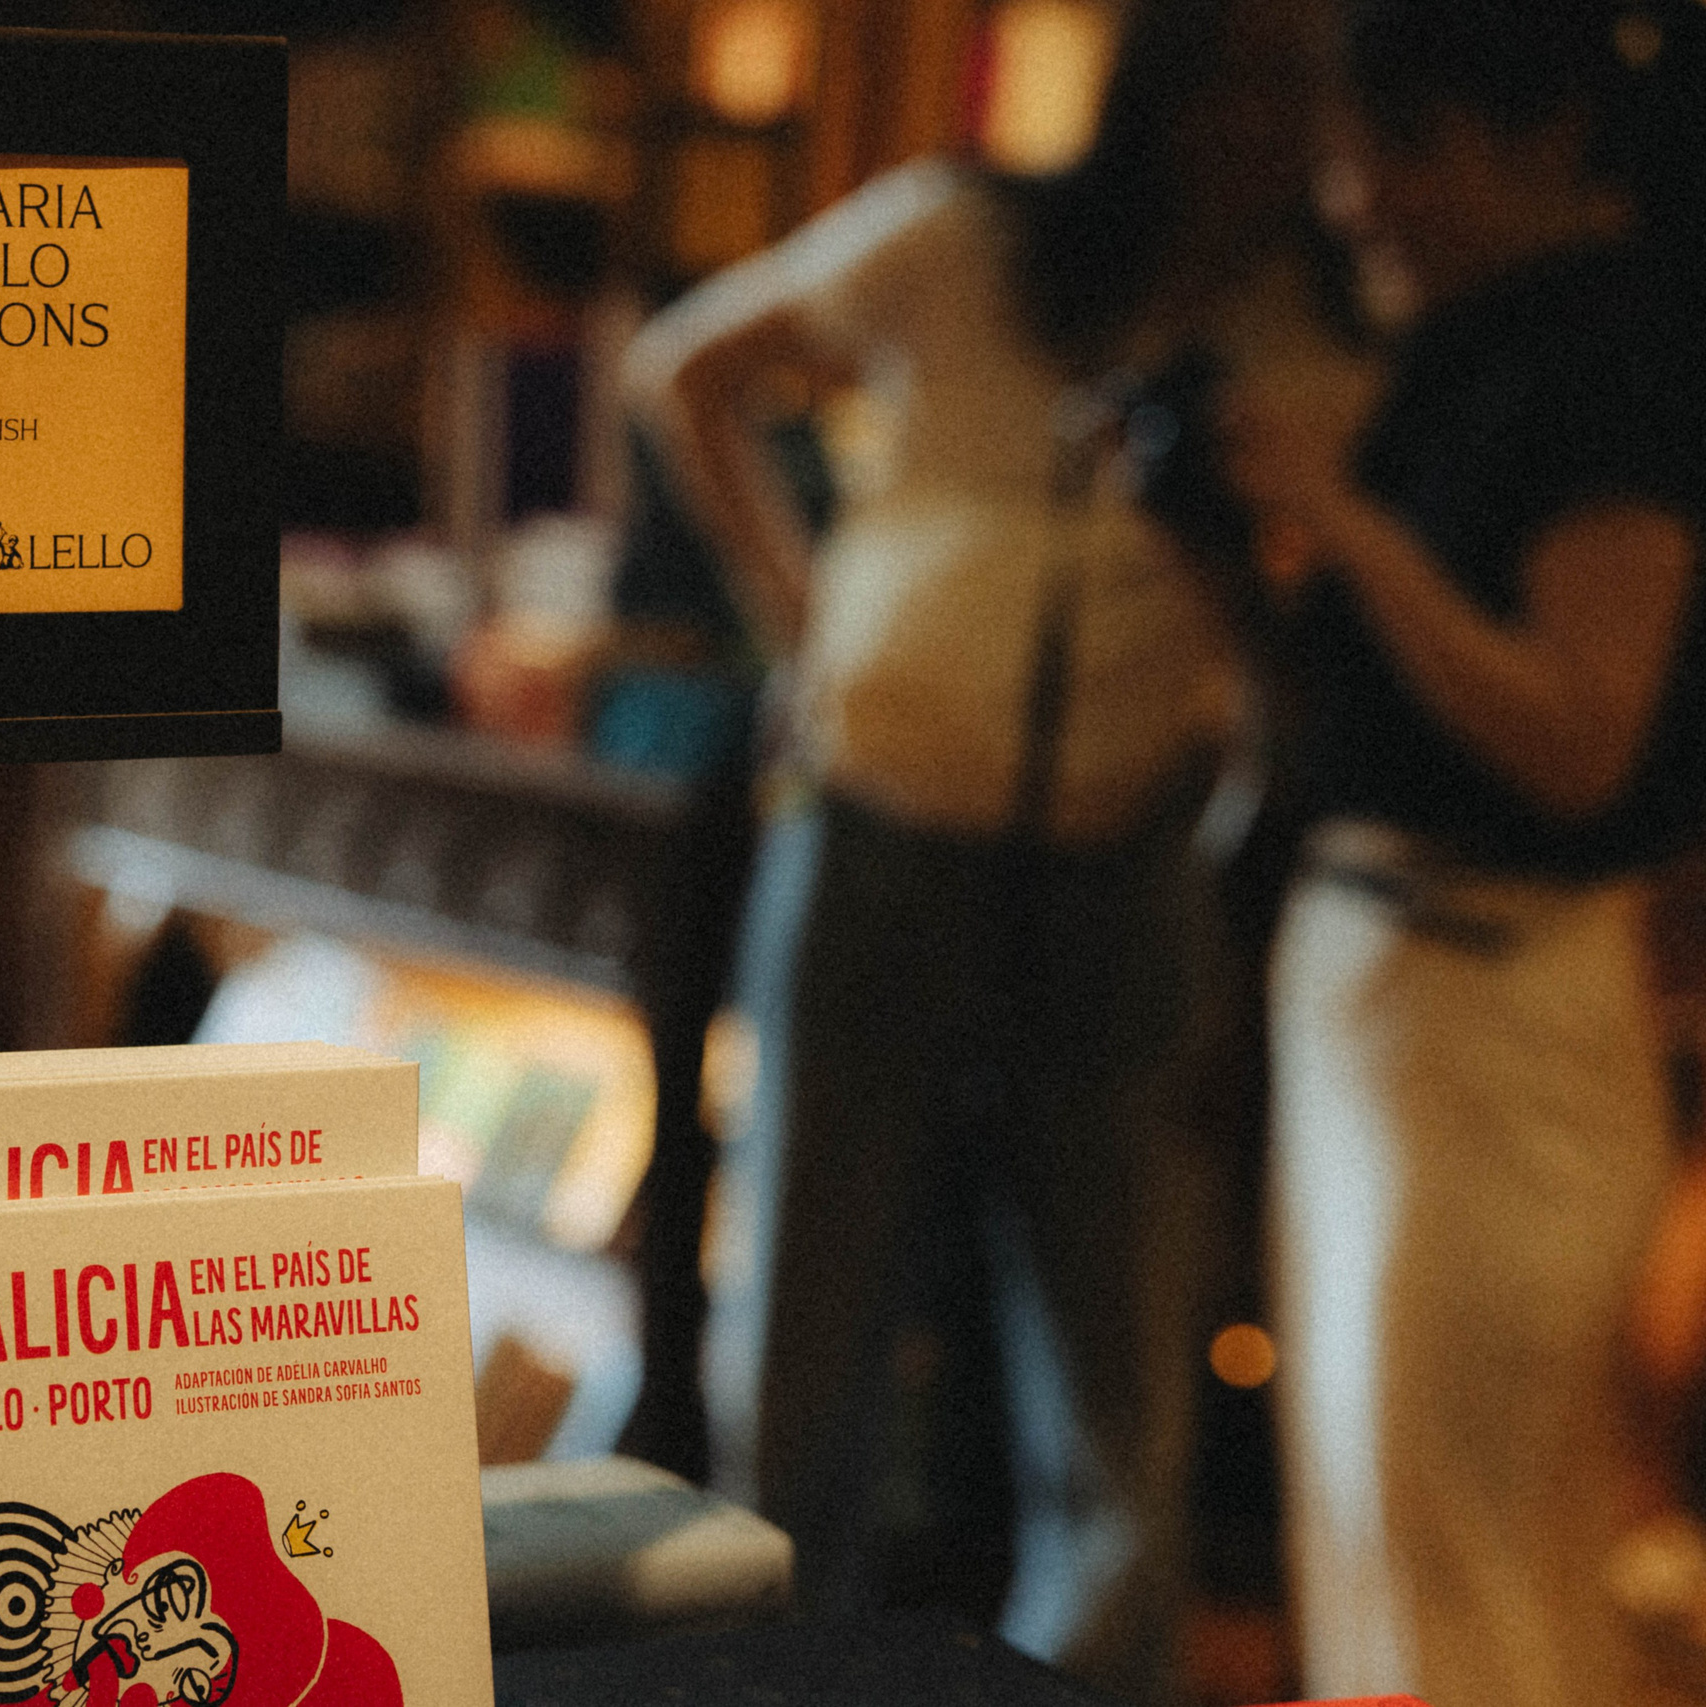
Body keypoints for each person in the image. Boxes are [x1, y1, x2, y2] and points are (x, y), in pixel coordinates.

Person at [624, 0, 1360, 1693]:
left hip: (1123, 860)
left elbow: (1308, 651)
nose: (1257, 130)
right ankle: (783, 1677)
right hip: (884, 830)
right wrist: (806, 616)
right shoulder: (959, 236)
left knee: (1118, 1360)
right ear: (1157, 91)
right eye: (1232, 81)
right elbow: (686, 372)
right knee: (804, 1329)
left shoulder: (1307, 336)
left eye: (1291, 92)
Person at [1221, 2, 1706, 1701]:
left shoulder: (1624, 355)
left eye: (1397, 147)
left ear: (1550, 135)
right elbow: (1372, 731)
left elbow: (1581, 739)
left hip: (1493, 999)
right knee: (1374, 1531)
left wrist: (1344, 516)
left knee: (1468, 1558)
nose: (1352, 197)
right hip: (1384, 979)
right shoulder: (1469, 337)